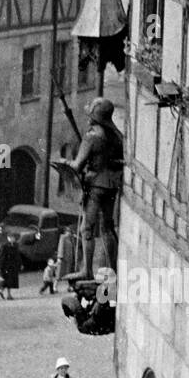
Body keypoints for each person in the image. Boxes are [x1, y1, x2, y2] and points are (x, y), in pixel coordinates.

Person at [57, 97, 124, 280]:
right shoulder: (118, 136)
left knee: (87, 229)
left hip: (95, 186)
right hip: (112, 186)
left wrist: (64, 162)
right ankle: (114, 270)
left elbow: (77, 166)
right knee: (107, 228)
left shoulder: (92, 136)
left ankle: (86, 270)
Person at [0, 233, 21, 298]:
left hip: (13, 266)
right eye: (10, 238)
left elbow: (18, 256)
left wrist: (20, 264)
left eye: (13, 238)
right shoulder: (5, 246)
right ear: (8, 239)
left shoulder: (16, 245)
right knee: (8, 280)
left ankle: (3, 292)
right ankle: (8, 295)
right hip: (6, 266)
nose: (12, 239)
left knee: (9, 281)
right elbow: (1, 257)